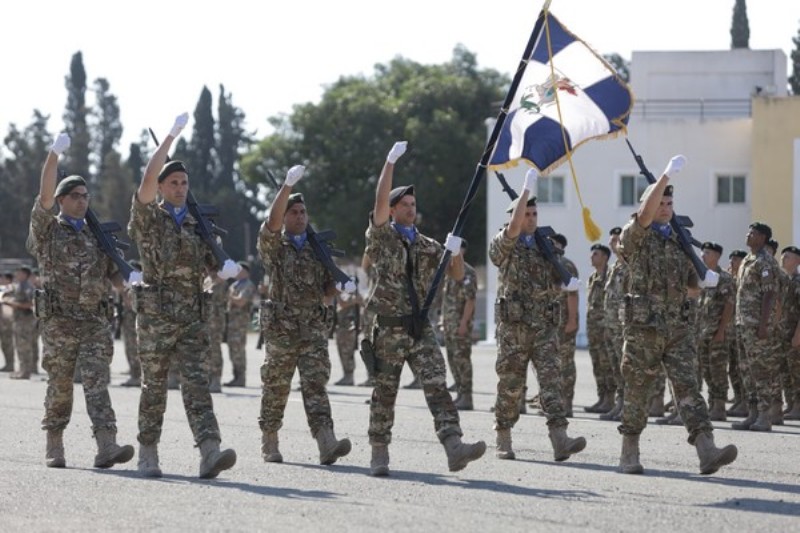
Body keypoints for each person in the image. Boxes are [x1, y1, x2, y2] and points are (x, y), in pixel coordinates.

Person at [364, 141, 485, 476]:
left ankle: (453, 445)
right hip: (389, 328)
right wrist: (390, 163)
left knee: (436, 384)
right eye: (403, 204)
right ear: (391, 210)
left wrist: (455, 251)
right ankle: (379, 453)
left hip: (420, 328)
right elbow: (378, 201)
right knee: (385, 392)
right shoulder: (382, 238)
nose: (410, 209)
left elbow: (459, 277)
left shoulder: (428, 245)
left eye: (413, 204)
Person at [128, 112, 238, 479]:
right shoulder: (148, 219)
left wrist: (224, 271)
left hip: (192, 318)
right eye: (173, 182)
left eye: (184, 182)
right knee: (154, 388)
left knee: (197, 386)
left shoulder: (198, 226)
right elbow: (146, 178)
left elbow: (211, 270)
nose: (180, 187)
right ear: (161, 188)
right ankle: (148, 452)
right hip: (156, 318)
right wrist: (171, 137)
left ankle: (210, 451)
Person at [616, 154, 737, 475]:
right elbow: (643, 216)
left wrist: (703, 280)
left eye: (670, 203)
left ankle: (706, 449)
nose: (666, 207)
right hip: (644, 327)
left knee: (687, 388)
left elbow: (690, 287)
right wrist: (665, 177)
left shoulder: (679, 241)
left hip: (679, 328)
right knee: (638, 388)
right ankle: (629, 451)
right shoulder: (636, 235)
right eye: (661, 202)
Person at [27, 132, 135, 469]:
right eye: (75, 196)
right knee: (60, 384)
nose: (82, 201)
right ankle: (54, 443)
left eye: (86, 196)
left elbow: (113, 273)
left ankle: (107, 444)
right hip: (59, 321)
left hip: (94, 321)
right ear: (61, 200)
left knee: (97, 381)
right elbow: (43, 194)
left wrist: (127, 288)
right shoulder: (47, 230)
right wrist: (53, 156)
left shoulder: (97, 235)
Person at [257, 165, 353, 465]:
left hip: (313, 329)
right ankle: (270, 440)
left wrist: (338, 288)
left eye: (302, 212)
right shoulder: (275, 246)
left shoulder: (318, 249)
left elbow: (327, 289)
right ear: (284, 216)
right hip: (282, 329)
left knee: (315, 386)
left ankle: (326, 441)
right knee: (276, 386)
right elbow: (270, 225)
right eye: (293, 212)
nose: (299, 216)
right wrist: (286, 186)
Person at [490, 168, 585, 463]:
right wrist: (524, 193)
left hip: (544, 327)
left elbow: (558, 278)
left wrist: (567, 280)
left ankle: (560, 439)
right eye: (525, 213)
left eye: (533, 214)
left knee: (552, 382)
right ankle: (503, 436)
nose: (530, 218)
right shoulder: (503, 244)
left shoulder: (548, 246)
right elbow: (503, 244)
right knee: (511, 385)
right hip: (514, 328)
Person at [731, 222, 781, 432]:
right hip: (743, 324)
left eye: (753, 233)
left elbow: (769, 294)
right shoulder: (747, 261)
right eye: (748, 231)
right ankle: (752, 414)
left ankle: (765, 416)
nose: (748, 235)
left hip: (756, 326)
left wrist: (763, 325)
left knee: (761, 371)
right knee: (746, 370)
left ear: (762, 237)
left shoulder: (766, 262)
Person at [695, 242, 734, 421]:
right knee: (706, 371)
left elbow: (729, 305)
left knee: (718, 369)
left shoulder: (723, 278)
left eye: (707, 253)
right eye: (703, 252)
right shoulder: (702, 277)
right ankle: (712, 403)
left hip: (716, 332)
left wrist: (721, 330)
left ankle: (719, 406)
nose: (703, 255)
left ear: (717, 256)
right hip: (702, 333)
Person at [440, 239, 477, 410]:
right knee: (453, 359)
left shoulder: (467, 272)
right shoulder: (449, 271)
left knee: (462, 360)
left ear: (463, 250)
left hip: (460, 324)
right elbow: (447, 300)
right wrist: (443, 320)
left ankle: (467, 397)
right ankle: (460, 394)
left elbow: (470, 300)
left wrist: (463, 323)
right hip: (449, 324)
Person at [601, 227, 627, 422]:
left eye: (616, 241)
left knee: (626, 367)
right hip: (611, 325)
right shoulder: (614, 267)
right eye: (611, 242)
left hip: (623, 326)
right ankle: (620, 403)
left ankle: (627, 406)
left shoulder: (629, 265)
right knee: (615, 368)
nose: (612, 245)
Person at [586, 242, 614, 415]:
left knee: (607, 364)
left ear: (604, 257)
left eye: (595, 254)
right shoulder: (592, 277)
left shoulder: (609, 276)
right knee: (597, 364)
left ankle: (610, 399)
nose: (592, 256)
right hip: (593, 328)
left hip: (605, 328)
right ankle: (602, 397)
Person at [777, 246, 800, 420]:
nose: (783, 258)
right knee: (785, 372)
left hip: (794, 335)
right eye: (783, 256)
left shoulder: (798, 282)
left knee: (796, 372)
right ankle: (791, 404)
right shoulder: (784, 281)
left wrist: (797, 335)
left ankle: (798, 406)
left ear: (797, 261)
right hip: (783, 334)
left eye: (788, 257)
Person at [224, 261, 255, 387]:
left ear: (245, 272)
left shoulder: (247, 285)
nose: (236, 272)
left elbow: (241, 301)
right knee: (232, 350)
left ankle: (240, 378)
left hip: (240, 322)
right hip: (232, 322)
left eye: (239, 270)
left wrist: (229, 296)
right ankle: (236, 376)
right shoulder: (235, 285)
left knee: (238, 350)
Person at [6, 266, 36, 380]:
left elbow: (30, 304)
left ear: (24, 274)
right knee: (19, 346)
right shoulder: (20, 286)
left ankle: (26, 371)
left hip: (25, 320)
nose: (17, 274)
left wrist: (13, 304)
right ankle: (22, 369)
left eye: (19, 273)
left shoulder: (28, 287)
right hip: (18, 320)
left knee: (25, 346)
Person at [333, 279, 363, 386]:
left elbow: (343, 303)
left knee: (347, 352)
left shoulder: (348, 286)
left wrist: (335, 292)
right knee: (343, 351)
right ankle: (347, 376)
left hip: (348, 326)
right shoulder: (344, 286)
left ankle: (349, 377)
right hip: (342, 325)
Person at [204, 270, 227, 393]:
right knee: (206, 349)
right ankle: (208, 377)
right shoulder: (207, 280)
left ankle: (216, 379)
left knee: (215, 349)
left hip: (216, 320)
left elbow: (222, 298)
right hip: (206, 320)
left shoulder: (221, 281)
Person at [120, 260, 142, 387]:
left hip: (133, 315)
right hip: (129, 315)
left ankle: (136, 375)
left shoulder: (136, 283)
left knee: (133, 346)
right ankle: (135, 374)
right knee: (130, 346)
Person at [0, 273, 15, 372]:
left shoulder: (12, 289)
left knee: (7, 343)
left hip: (6, 321)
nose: (1, 280)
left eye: (3, 278)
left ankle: (10, 364)